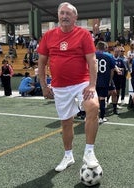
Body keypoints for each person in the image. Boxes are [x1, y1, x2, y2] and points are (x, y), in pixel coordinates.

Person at [37, 2, 100, 172]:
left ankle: (89, 152)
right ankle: (68, 155)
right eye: (62, 13)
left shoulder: (84, 35)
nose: (64, 16)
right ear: (58, 16)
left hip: (82, 83)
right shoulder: (48, 36)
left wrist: (92, 85)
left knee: (93, 107)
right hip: (59, 86)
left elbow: (92, 60)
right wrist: (43, 86)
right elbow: (41, 63)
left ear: (75, 17)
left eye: (68, 14)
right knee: (66, 123)